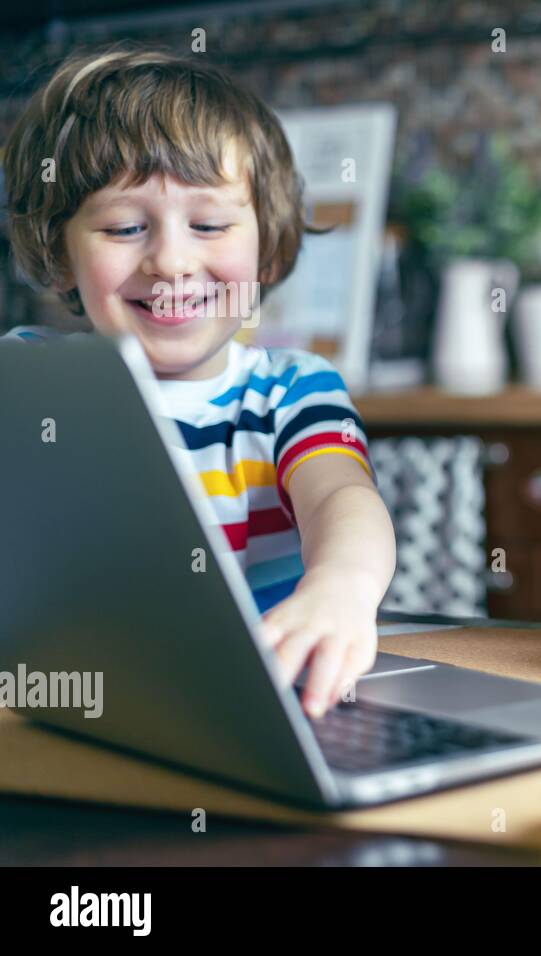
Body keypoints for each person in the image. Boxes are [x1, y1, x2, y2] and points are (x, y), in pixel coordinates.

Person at [2, 48, 396, 714]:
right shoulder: (32, 379)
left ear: (267, 243)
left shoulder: (291, 391)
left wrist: (341, 588)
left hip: (260, 703)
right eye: (126, 227)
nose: (172, 261)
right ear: (60, 251)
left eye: (209, 224)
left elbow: (341, 499)